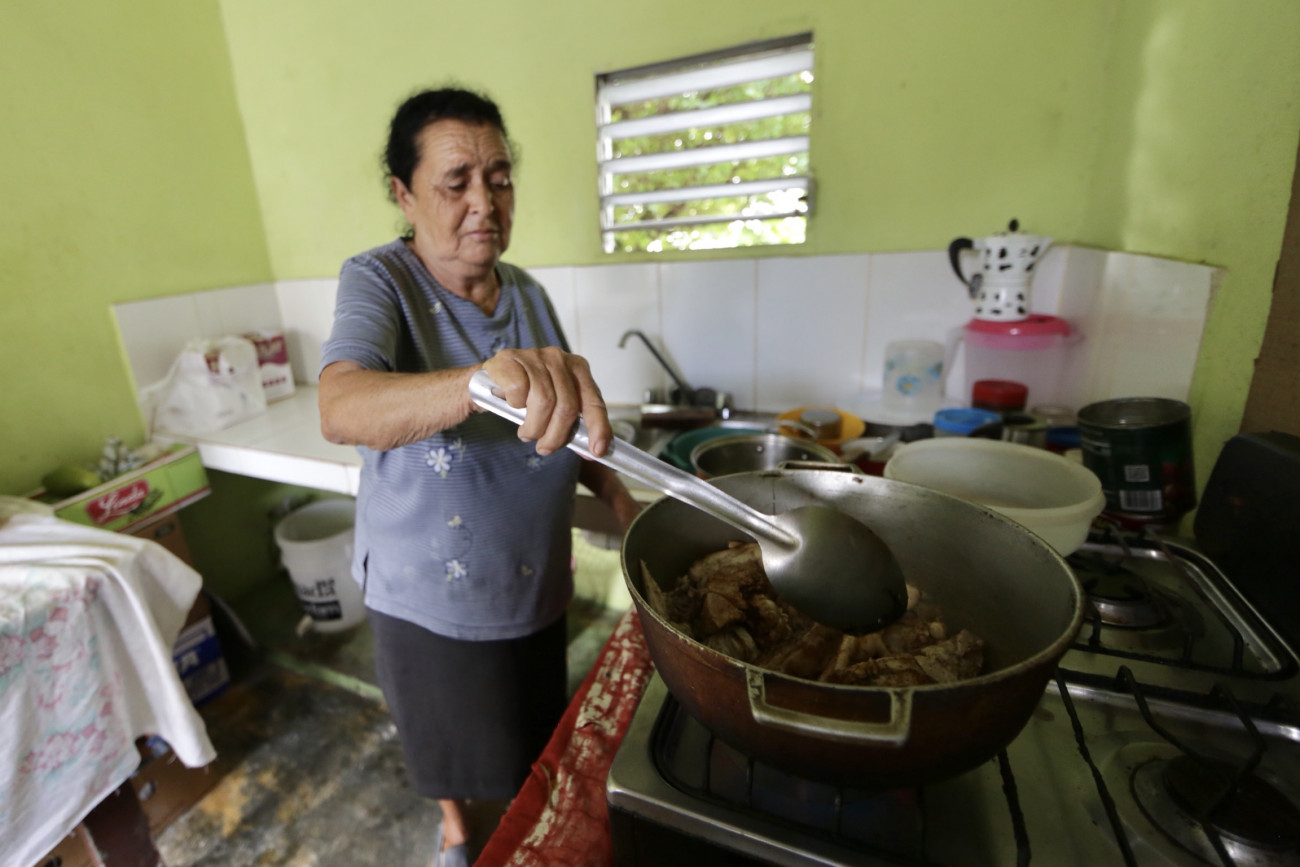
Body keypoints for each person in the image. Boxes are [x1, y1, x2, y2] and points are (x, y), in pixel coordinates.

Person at [317, 86, 641, 867]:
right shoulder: (381, 281)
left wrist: (624, 501)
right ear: (404, 193)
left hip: (534, 583)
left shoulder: (526, 291)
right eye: (455, 182)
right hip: (433, 596)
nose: (484, 203)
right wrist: (479, 382)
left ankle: (498, 830)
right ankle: (459, 834)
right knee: (455, 754)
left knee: (528, 744)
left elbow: (567, 422)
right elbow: (341, 404)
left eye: (499, 179)